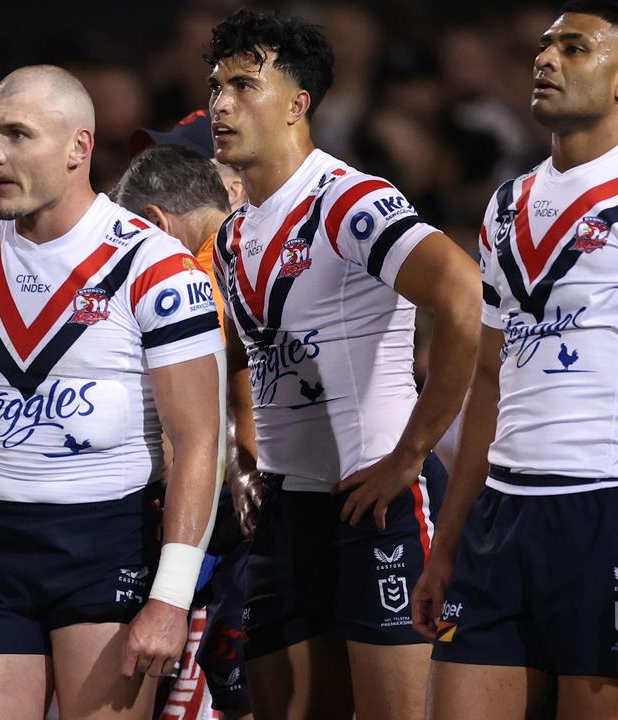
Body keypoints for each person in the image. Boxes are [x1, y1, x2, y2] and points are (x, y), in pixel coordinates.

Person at [0, 65, 225, 720]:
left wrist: (170, 595)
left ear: (79, 148)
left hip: (107, 544)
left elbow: (199, 440)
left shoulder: (153, 266)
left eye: (18, 135)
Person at [204, 8, 481, 719]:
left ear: (298, 104)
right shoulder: (235, 232)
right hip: (285, 509)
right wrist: (241, 460)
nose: (220, 104)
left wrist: (411, 453)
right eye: (215, 86)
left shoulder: (348, 200)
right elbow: (246, 347)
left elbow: (460, 295)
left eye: (243, 85)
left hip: (374, 496)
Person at [413, 2, 618, 717]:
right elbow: (491, 383)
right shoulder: (506, 206)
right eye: (543, 46)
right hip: (501, 513)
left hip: (602, 505)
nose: (546, 59)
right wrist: (449, 542)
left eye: (575, 47)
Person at [113, 141, 251, 720]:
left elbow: (202, 435)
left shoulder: (188, 278)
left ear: (153, 224)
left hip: (241, 521)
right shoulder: (267, 248)